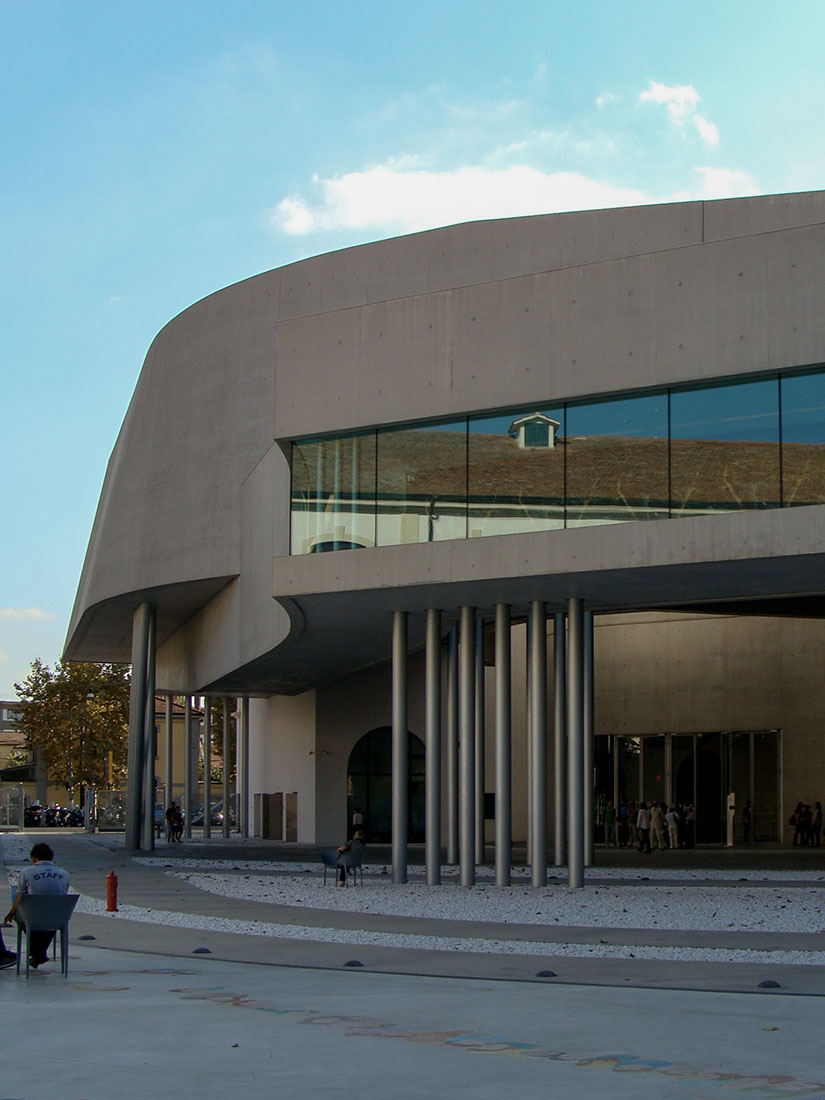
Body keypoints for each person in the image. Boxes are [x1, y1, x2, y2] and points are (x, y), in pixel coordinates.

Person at [4, 842, 69, 969]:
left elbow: (20, 897)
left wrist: (11, 913)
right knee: (51, 913)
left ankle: (38, 953)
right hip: (58, 918)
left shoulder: (27, 872)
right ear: (51, 858)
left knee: (23, 917)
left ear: (34, 859)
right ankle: (39, 954)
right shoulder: (64, 874)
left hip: (33, 918)